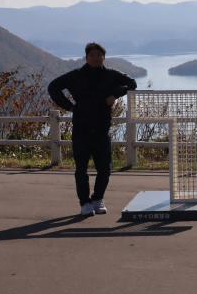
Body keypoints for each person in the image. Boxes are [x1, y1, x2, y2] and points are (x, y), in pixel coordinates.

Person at [48, 42, 137, 216]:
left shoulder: (111, 75)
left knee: (105, 168)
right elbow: (53, 87)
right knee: (81, 169)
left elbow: (132, 83)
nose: (96, 58)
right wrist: (69, 106)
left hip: (102, 128)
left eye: (99, 55)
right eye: (92, 55)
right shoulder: (76, 76)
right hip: (81, 128)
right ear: (86, 57)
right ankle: (84, 203)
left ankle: (97, 199)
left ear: (104, 57)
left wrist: (115, 94)